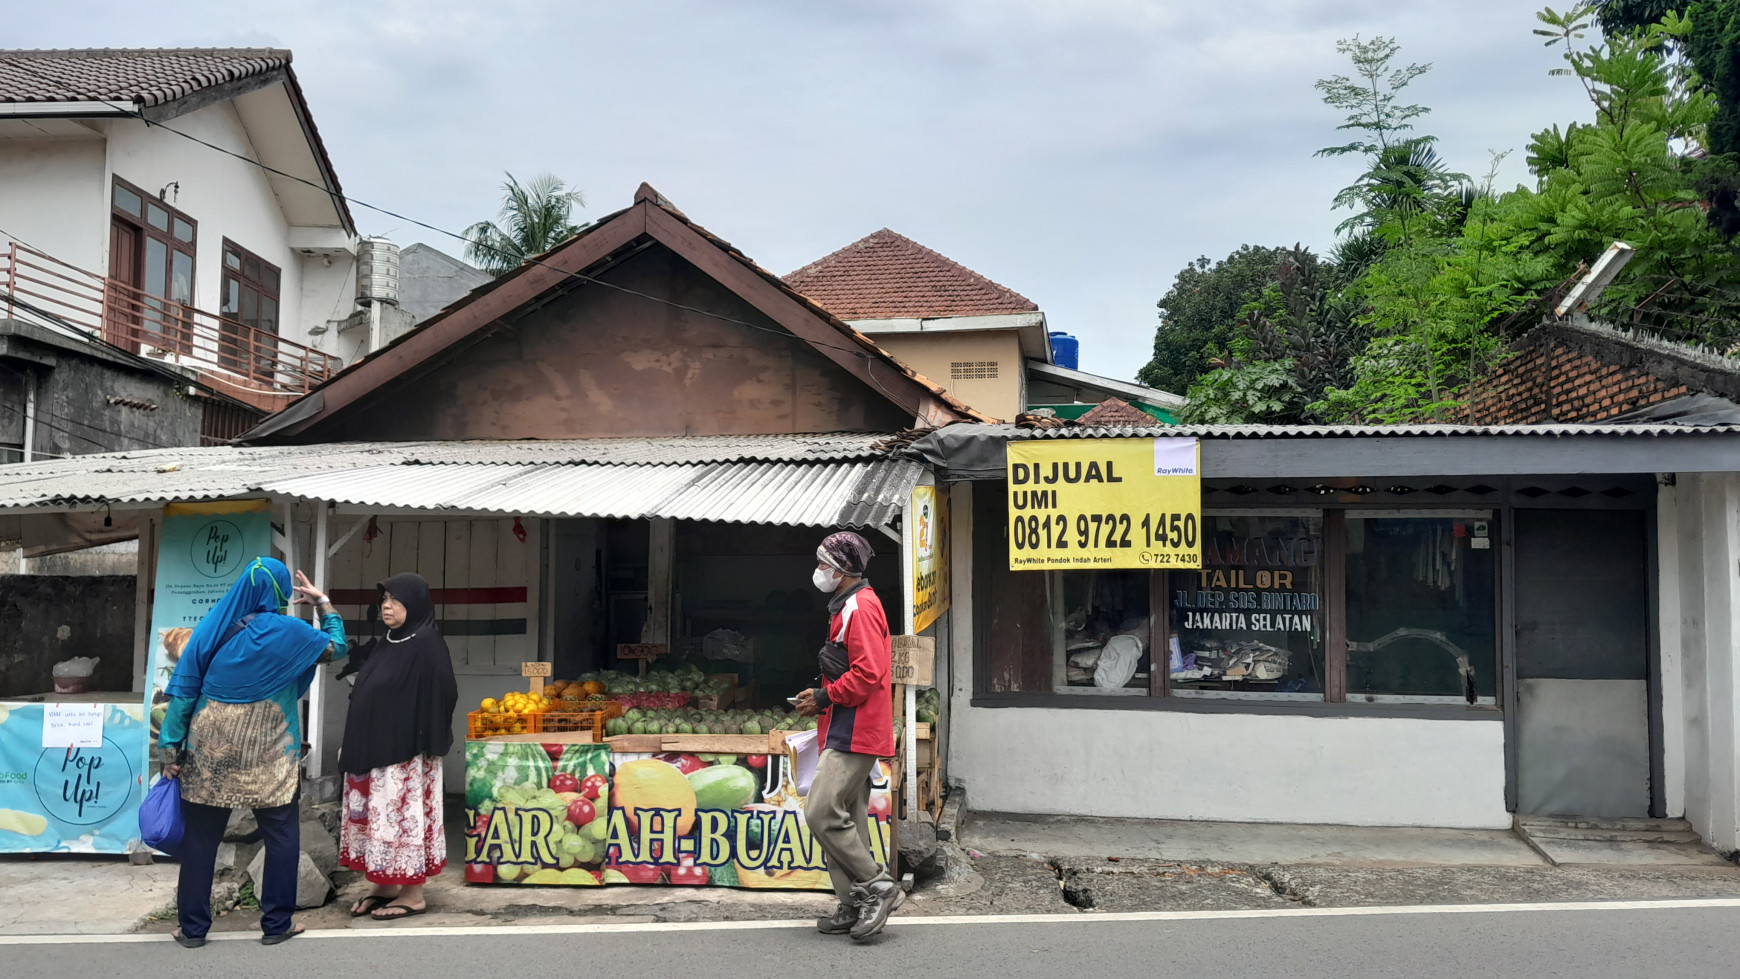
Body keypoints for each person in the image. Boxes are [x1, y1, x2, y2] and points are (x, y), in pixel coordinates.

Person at [157, 557, 346, 948]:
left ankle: (192, 930)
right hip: (270, 751)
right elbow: (337, 648)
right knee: (280, 835)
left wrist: (170, 752)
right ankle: (277, 925)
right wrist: (322, 602)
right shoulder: (292, 632)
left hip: (211, 751)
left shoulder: (210, 630)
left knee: (201, 840)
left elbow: (183, 693)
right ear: (280, 593)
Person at [793, 530, 900, 941]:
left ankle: (878, 886)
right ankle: (853, 902)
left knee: (820, 812)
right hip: (842, 724)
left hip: (857, 730)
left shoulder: (860, 606)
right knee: (846, 820)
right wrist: (822, 699)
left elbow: (869, 673)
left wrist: (825, 694)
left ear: (841, 570)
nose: (818, 571)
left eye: (823, 565)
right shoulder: (846, 605)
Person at [337, 573, 458, 921]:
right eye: (384, 600)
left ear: (415, 604)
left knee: (402, 821)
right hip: (372, 750)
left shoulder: (427, 642)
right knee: (380, 823)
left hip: (405, 755)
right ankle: (385, 885)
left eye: (395, 600)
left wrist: (425, 737)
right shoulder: (388, 640)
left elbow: (444, 692)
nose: (387, 606)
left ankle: (413, 894)